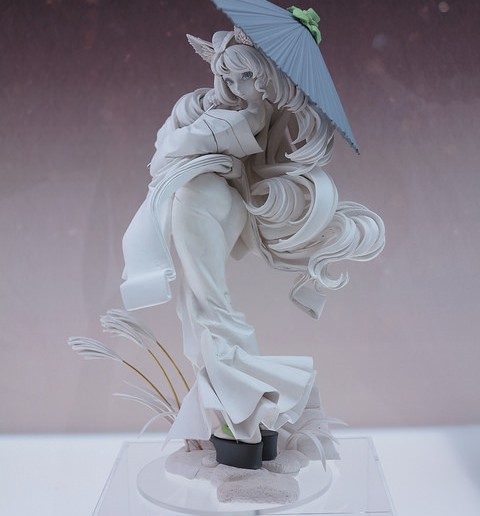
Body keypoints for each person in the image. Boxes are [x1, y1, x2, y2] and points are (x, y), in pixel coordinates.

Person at [120, 29, 384, 457]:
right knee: (197, 309)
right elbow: (165, 148)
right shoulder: (215, 106)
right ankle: (235, 413)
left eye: (249, 76)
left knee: (209, 310)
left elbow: (171, 148)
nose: (239, 86)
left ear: (270, 77)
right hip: (201, 198)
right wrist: (195, 113)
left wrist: (193, 119)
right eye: (228, 76)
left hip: (202, 201)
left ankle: (250, 410)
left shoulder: (249, 116)